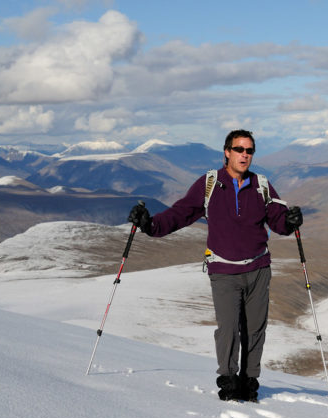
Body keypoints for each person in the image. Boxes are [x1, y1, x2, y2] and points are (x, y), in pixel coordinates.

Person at [127, 129, 303, 402]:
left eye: (249, 151)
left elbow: (279, 222)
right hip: (223, 270)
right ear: (227, 152)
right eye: (239, 149)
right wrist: (150, 224)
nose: (245, 155)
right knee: (229, 329)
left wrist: (290, 221)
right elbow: (180, 213)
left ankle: (250, 382)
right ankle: (229, 384)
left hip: (258, 268)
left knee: (255, 329)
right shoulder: (209, 184)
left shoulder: (262, 185)